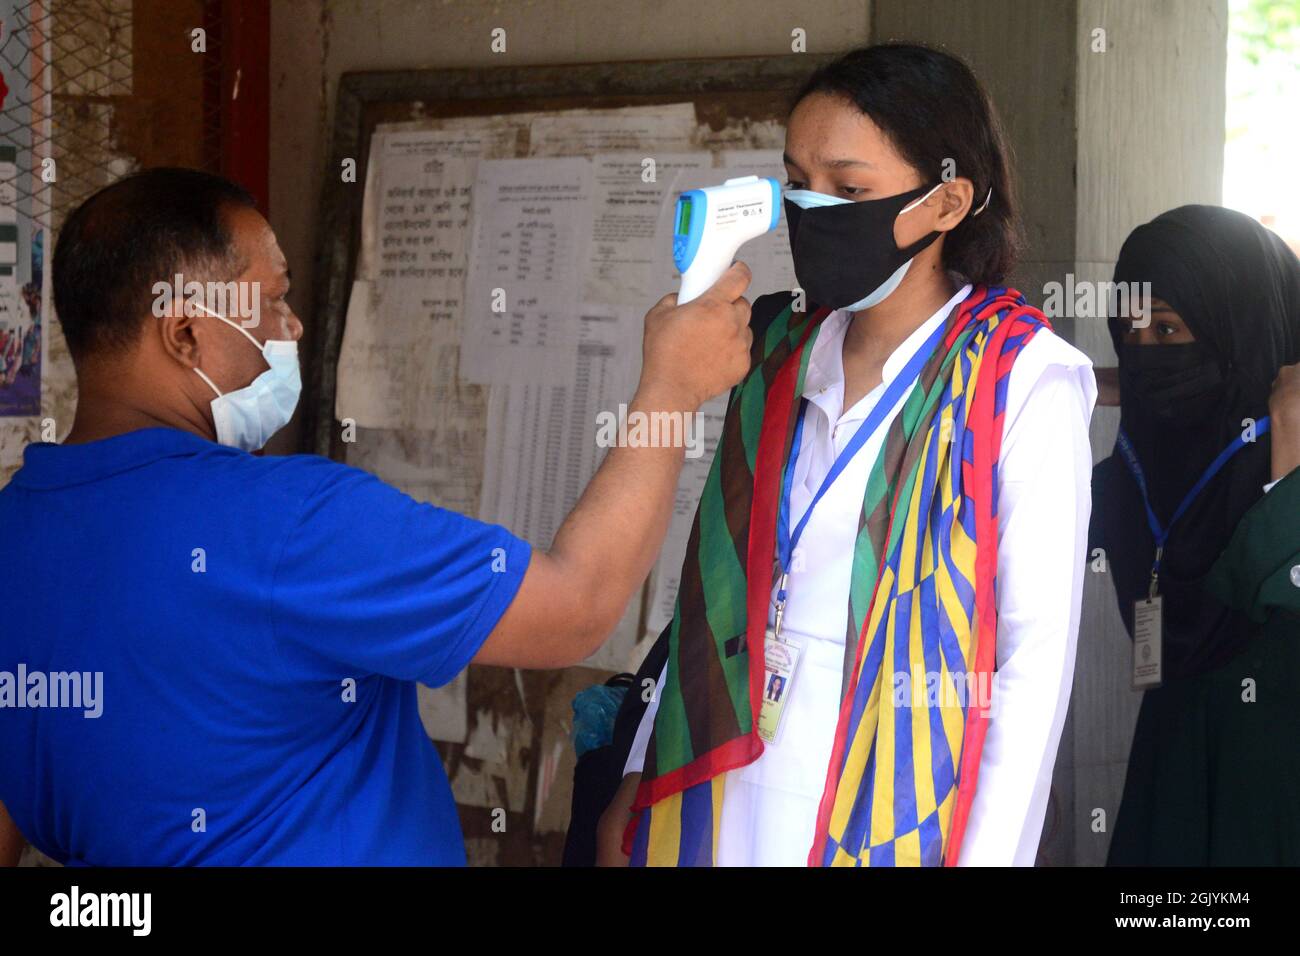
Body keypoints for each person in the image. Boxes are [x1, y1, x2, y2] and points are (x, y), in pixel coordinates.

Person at [0, 167, 754, 866]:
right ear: (185, 333)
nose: (292, 328)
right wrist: (672, 392)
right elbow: (578, 603)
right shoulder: (289, 524)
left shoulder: (17, 533)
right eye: (272, 300)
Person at [598, 43, 1096, 867]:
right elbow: (713, 593)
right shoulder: (775, 348)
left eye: (849, 188)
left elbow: (1030, 674)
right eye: (796, 180)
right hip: (722, 788)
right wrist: (643, 770)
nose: (811, 206)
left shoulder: (1025, 379)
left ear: (946, 202)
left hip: (891, 804)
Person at [1089, 204, 1300, 865]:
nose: (1149, 356)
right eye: (1133, 334)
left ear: (1241, 329)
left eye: (1172, 329)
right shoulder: (1135, 473)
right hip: (1175, 780)